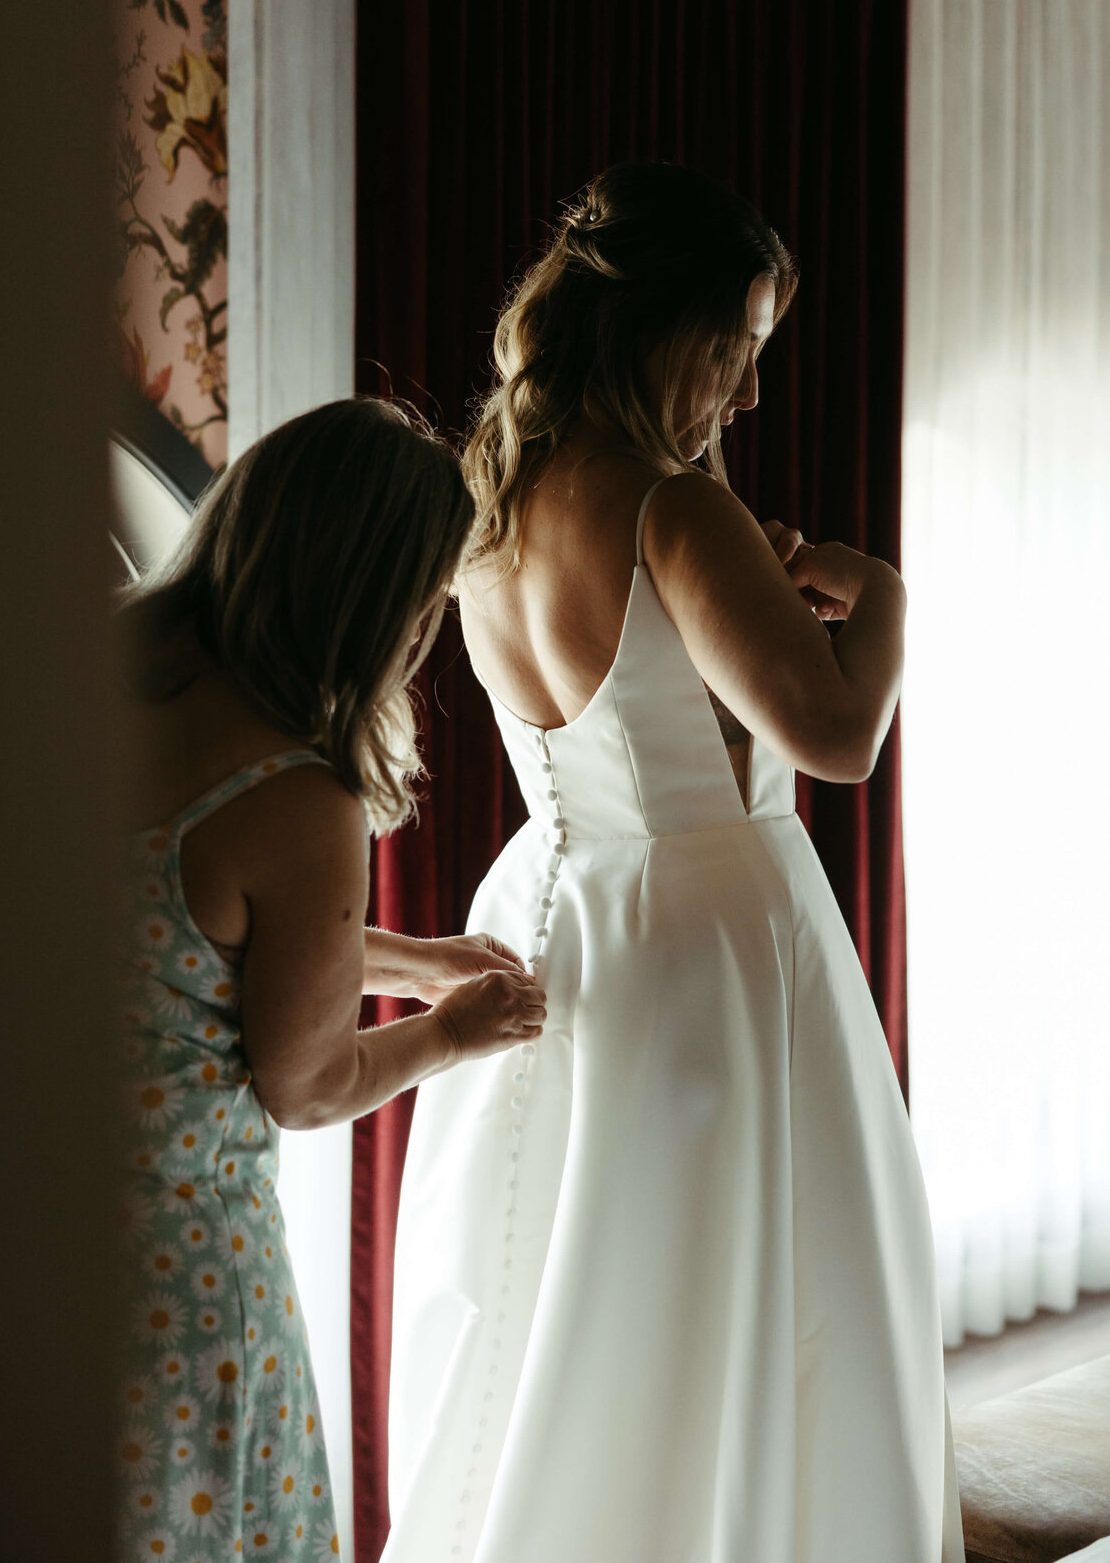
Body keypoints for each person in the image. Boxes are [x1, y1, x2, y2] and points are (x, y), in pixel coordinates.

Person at [384, 164, 964, 1562]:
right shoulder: (670, 508)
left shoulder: (491, 511)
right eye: (741, 349)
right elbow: (834, 737)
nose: (751, 394)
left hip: (555, 913)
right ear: (669, 329)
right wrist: (877, 597)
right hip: (713, 933)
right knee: (740, 1289)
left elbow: (628, 709)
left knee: (586, 1290)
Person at [113, 399, 547, 1563]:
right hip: (181, 1287)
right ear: (377, 607)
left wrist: (410, 960)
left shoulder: (103, 681)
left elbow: (193, 949)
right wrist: (454, 1031)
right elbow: (304, 1084)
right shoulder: (297, 796)